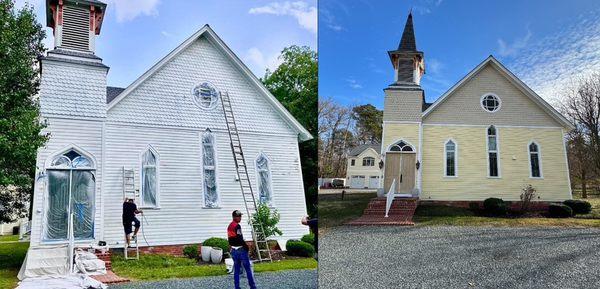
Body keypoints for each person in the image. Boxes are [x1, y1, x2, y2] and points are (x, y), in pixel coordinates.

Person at [227, 210, 257, 289]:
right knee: (248, 269)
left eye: (240, 216)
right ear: (234, 217)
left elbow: (230, 239)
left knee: (236, 270)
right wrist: (246, 247)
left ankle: (237, 287)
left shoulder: (229, 226)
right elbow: (240, 239)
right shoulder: (237, 226)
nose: (240, 218)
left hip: (234, 251)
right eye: (238, 216)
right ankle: (253, 287)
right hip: (241, 250)